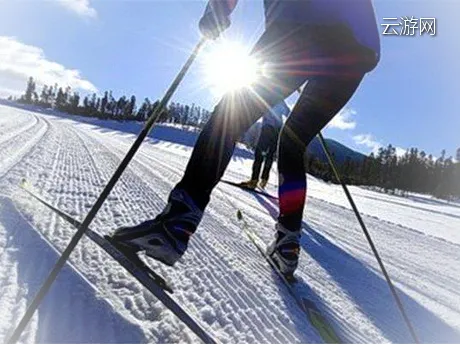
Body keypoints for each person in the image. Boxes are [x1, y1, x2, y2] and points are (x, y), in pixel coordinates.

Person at [111, 0, 380, 277]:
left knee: (230, 117)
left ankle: (174, 225)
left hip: (299, 25)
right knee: (293, 142)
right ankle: (287, 244)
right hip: (358, 50)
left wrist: (217, 12)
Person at [240, 101, 290, 190]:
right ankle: (264, 180)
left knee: (259, 153)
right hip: (277, 131)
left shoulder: (268, 96)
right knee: (269, 155)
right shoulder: (282, 100)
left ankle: (254, 180)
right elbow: (288, 113)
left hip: (268, 128)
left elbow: (256, 109)